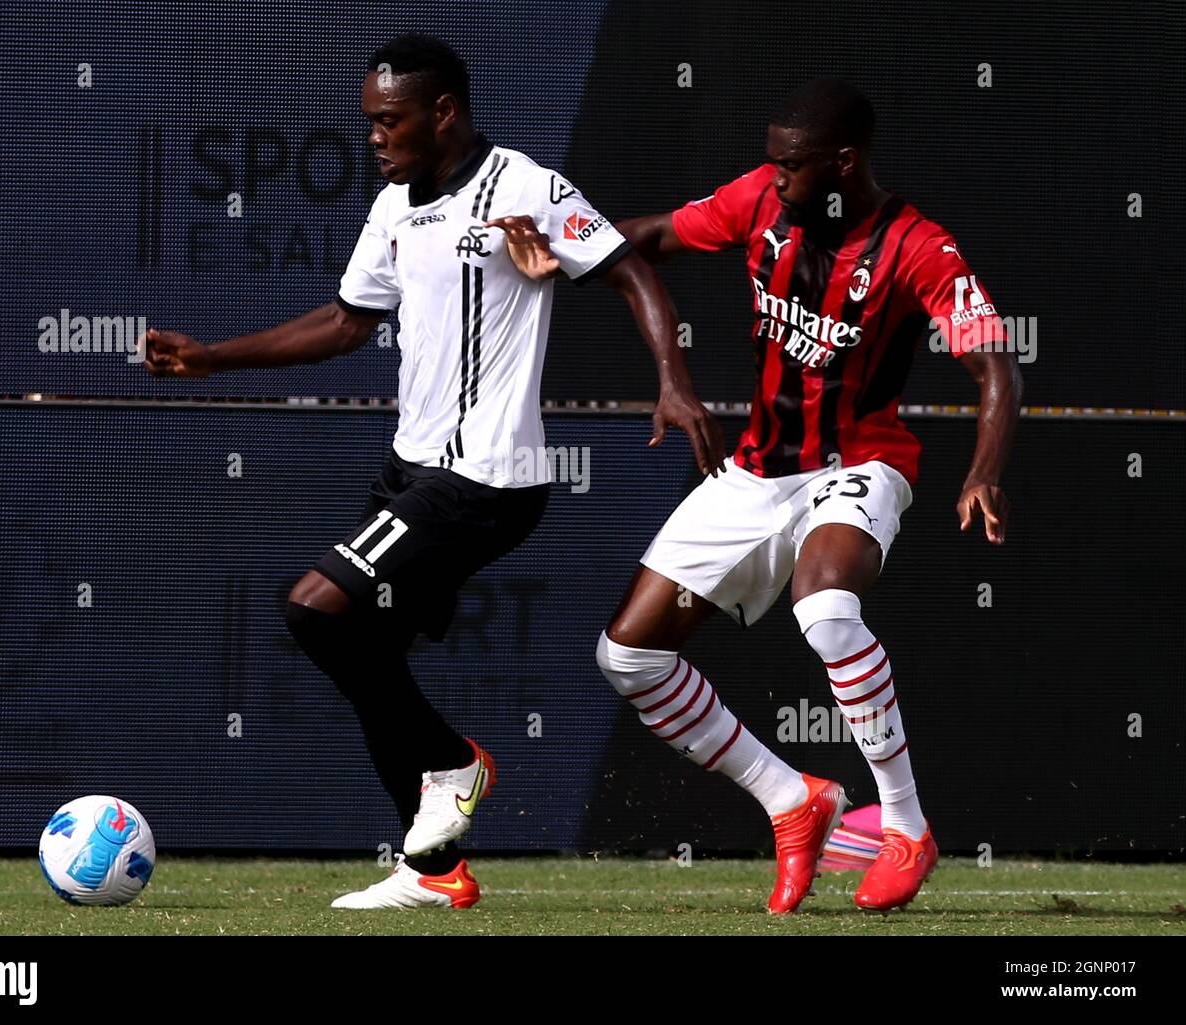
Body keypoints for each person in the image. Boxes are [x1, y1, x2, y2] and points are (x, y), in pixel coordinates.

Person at [143, 33, 723, 910]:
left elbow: (630, 269)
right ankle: (432, 869)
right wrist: (213, 359)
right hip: (412, 470)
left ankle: (454, 765)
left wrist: (674, 384)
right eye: (370, 120)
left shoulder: (522, 186)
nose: (375, 135)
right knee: (363, 649)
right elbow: (345, 323)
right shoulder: (393, 204)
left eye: (390, 119)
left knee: (313, 607)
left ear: (443, 112)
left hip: (483, 479)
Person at [591, 79, 1023, 913]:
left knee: (825, 610)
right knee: (629, 656)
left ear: (843, 162)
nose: (773, 174)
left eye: (790, 163)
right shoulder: (757, 200)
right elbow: (642, 239)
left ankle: (904, 824)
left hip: (861, 461)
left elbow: (996, 367)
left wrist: (982, 472)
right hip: (756, 471)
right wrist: (556, 248)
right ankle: (793, 798)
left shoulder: (918, 246)